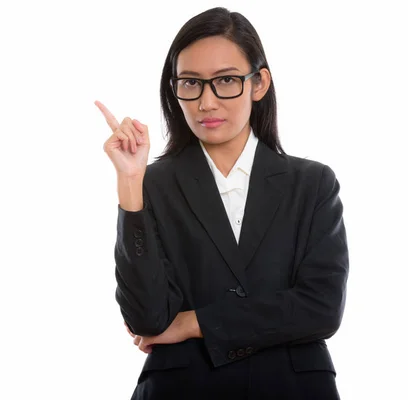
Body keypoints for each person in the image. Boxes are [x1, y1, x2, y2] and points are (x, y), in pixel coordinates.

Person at [94, 6, 349, 400]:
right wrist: (131, 182)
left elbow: (321, 308)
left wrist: (196, 322)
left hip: (293, 387)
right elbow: (146, 319)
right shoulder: (153, 183)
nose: (206, 102)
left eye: (226, 80)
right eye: (191, 83)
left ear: (259, 83)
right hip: (181, 388)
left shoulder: (312, 183)